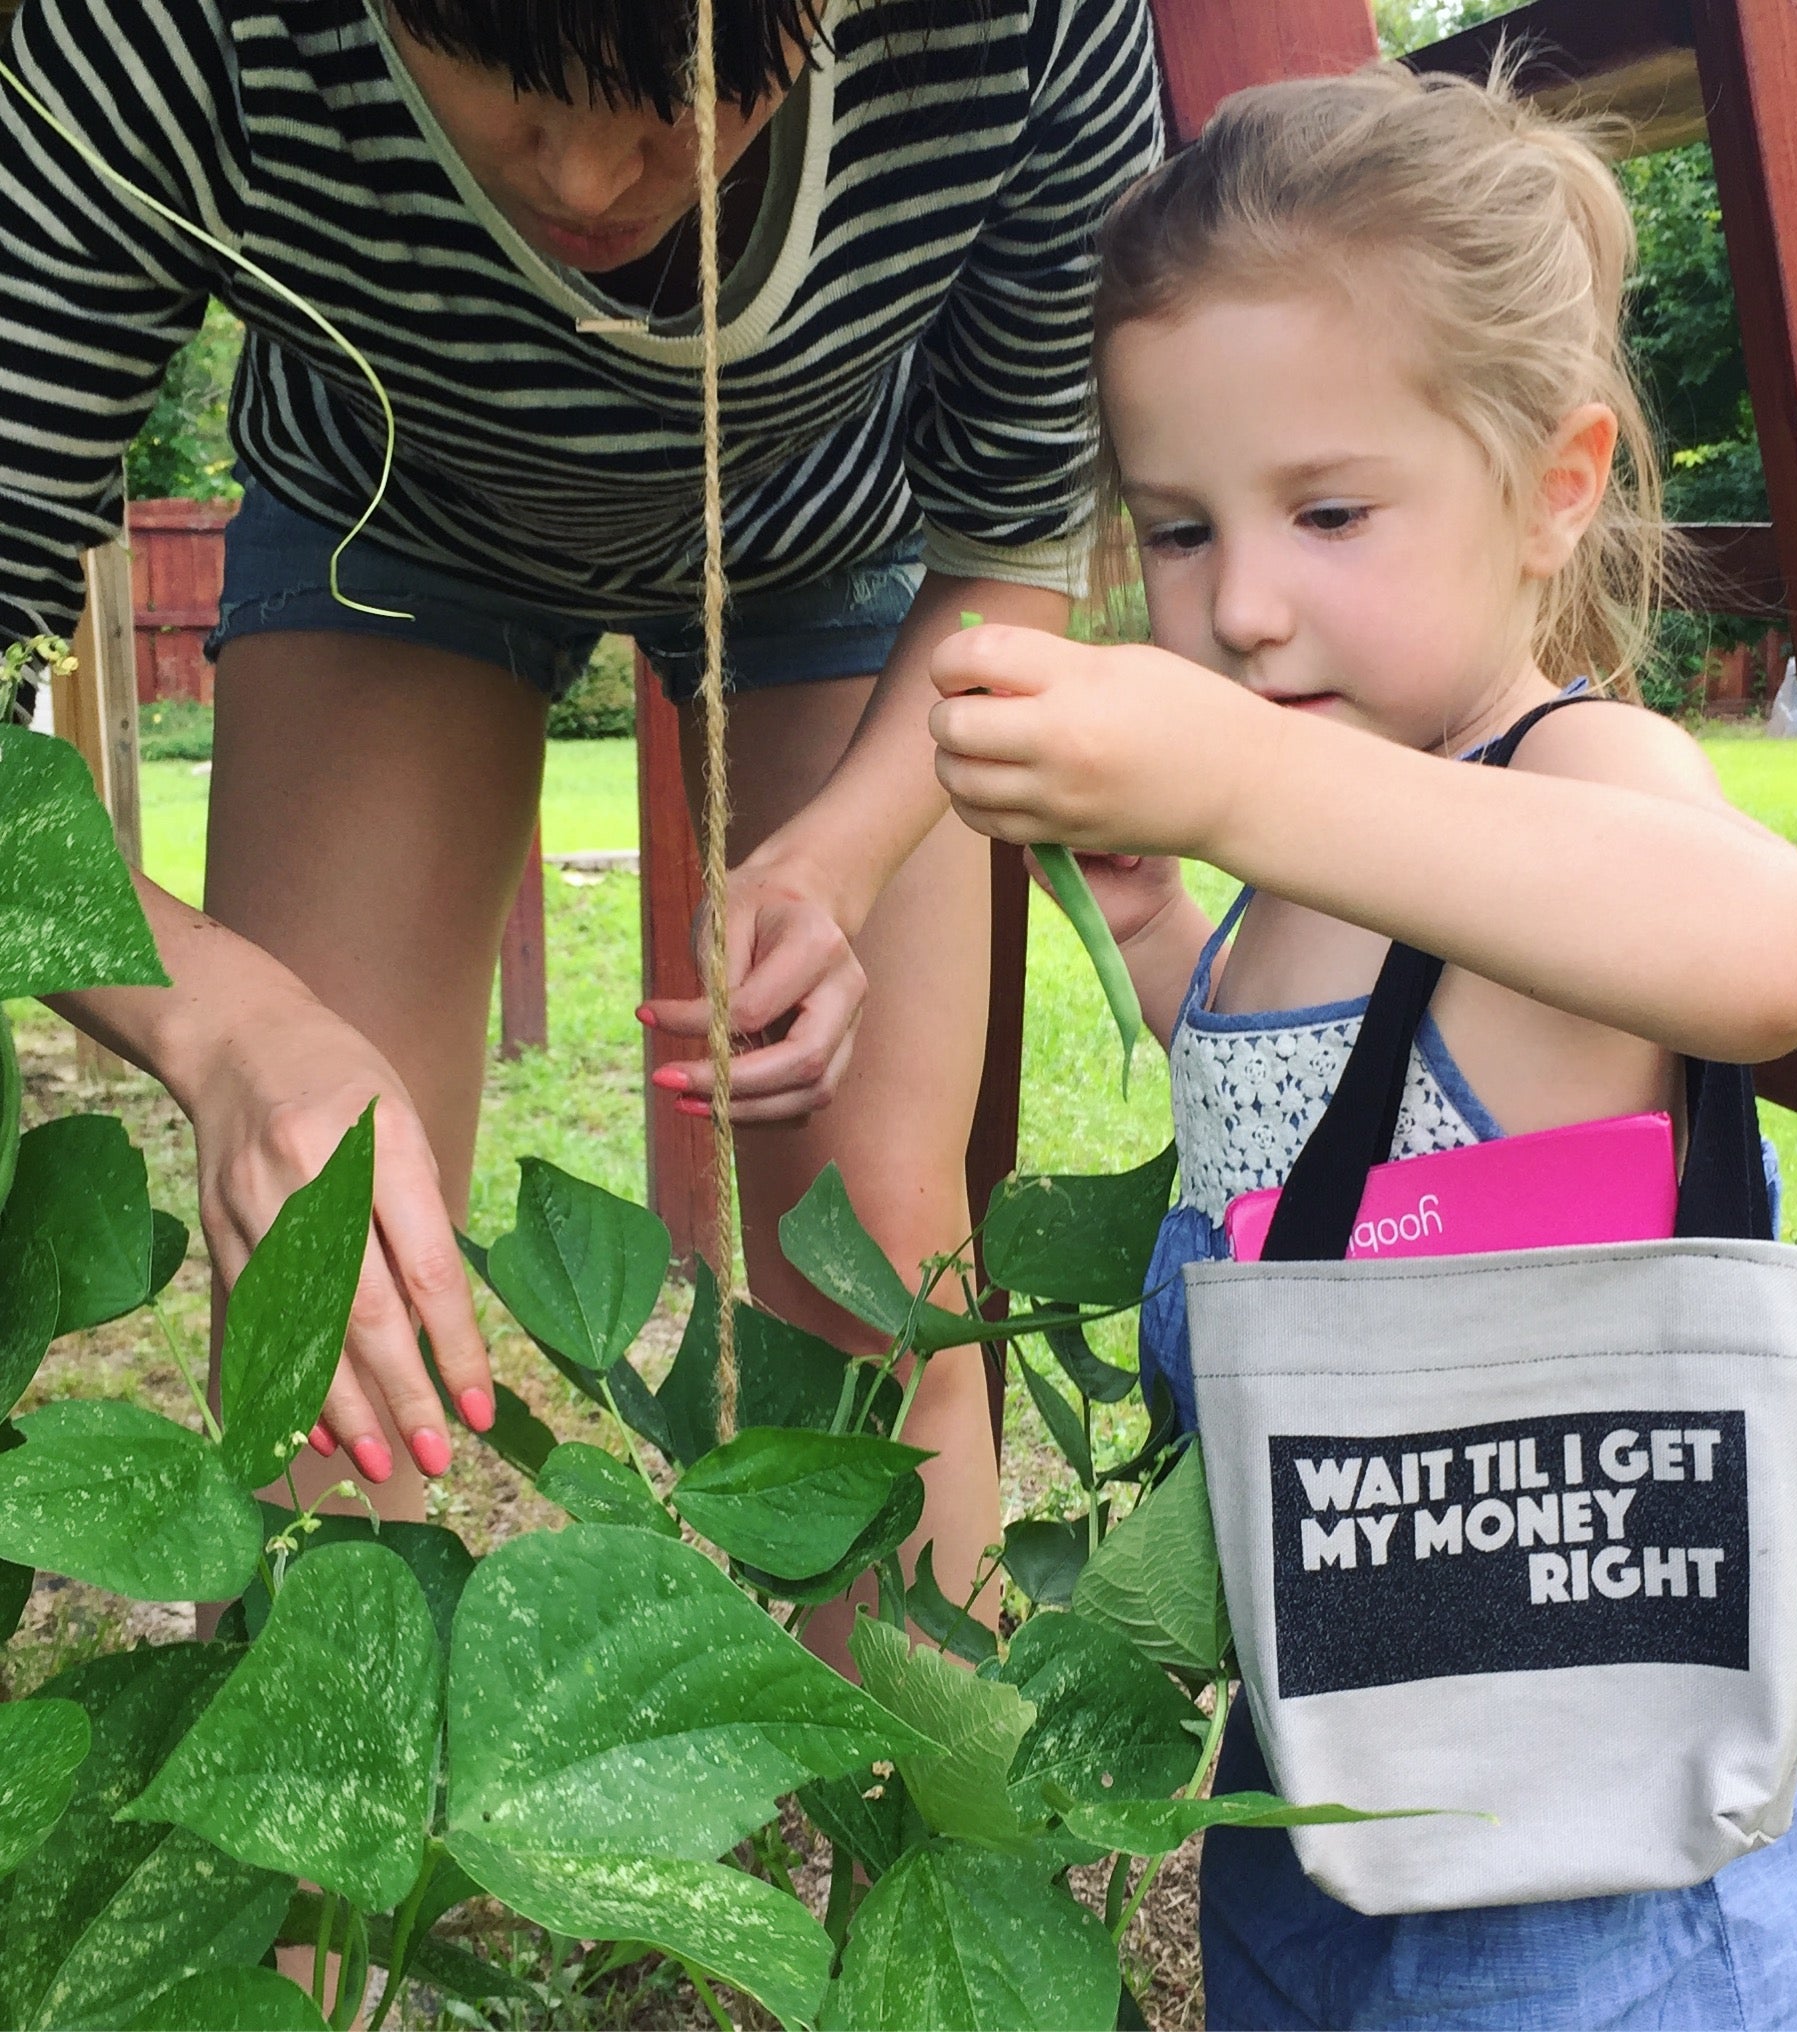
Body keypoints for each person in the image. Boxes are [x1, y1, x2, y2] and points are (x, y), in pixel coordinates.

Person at [0, 0, 1161, 1613]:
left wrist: (843, 860)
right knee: (329, 1286)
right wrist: (229, 1031)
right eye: (506, 83)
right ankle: (329, 1770)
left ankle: (922, 1761)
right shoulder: (173, 31)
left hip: (839, 530)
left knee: (887, 1274)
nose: (591, 181)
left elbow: (1016, 539)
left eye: (687, 94)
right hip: (388, 518)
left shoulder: (1029, 27)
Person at [928, 63, 1797, 2031]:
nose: (1242, 607)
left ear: (1553, 485)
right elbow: (1327, 1125)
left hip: (1587, 1863)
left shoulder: (1570, 773)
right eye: (1177, 531)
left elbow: (1764, 951)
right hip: (1326, 1786)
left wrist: (1239, 784)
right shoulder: (1310, 856)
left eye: (1329, 512)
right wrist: (1158, 922)